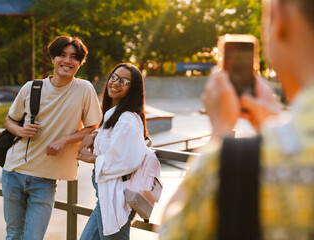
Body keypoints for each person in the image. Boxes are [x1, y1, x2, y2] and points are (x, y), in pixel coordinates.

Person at [160, 0, 314, 239]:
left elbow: (171, 232)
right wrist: (276, 122)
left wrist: (220, 133)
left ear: (280, 13)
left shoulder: (232, 167)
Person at [2, 35, 102, 239]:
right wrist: (21, 131)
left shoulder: (84, 89)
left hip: (45, 180)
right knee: (13, 234)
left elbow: (93, 126)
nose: (67, 60)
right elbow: (9, 120)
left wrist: (64, 140)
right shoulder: (31, 87)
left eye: (74, 57)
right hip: (13, 172)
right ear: (53, 58)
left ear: (80, 62)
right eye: (62, 55)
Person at [77, 63, 149, 239]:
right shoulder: (114, 115)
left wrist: (90, 158)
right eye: (114, 77)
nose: (115, 83)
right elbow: (113, 138)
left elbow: (122, 160)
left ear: (133, 89)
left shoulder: (126, 119)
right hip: (106, 195)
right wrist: (94, 134)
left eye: (124, 81)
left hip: (117, 197)